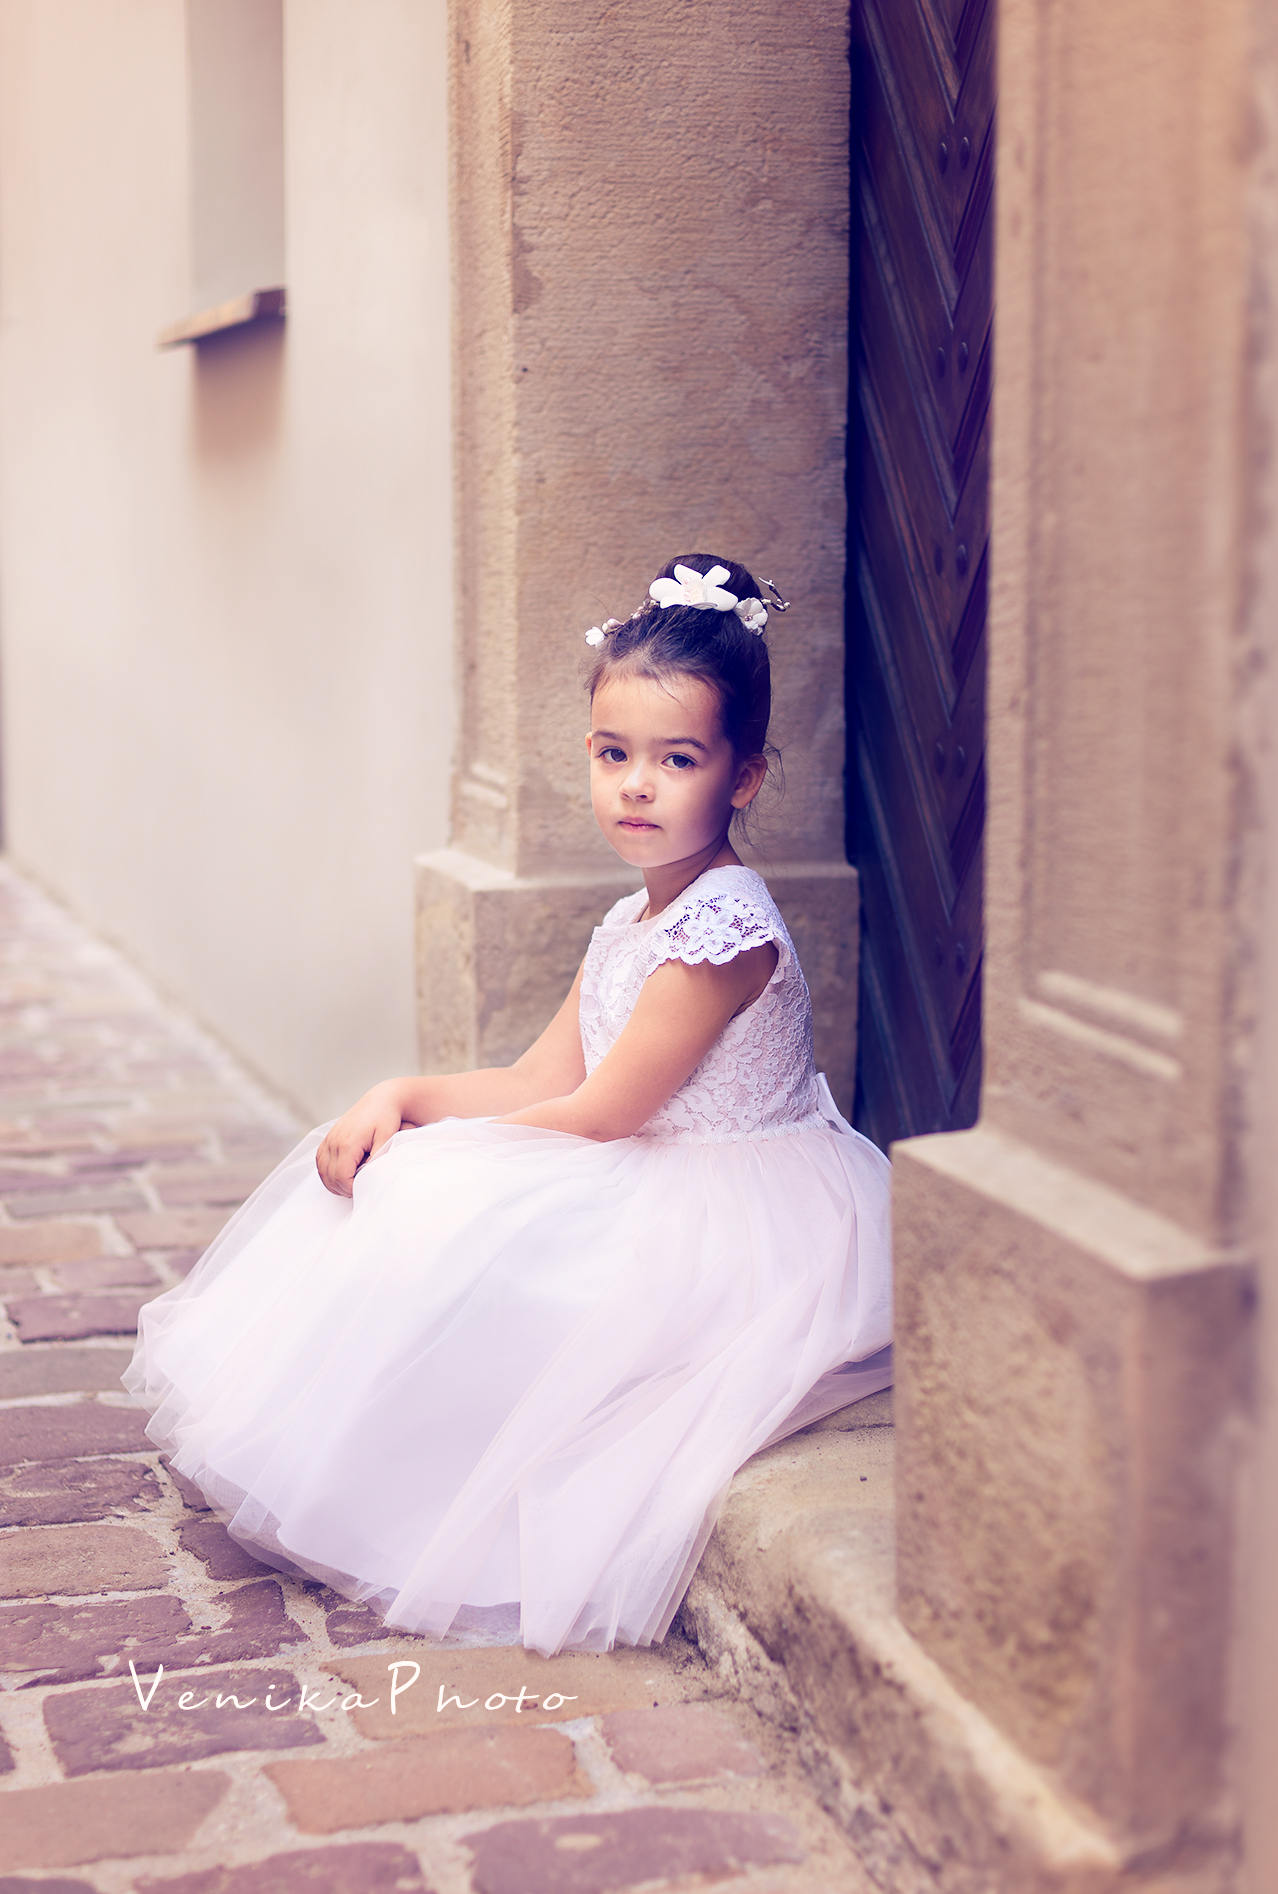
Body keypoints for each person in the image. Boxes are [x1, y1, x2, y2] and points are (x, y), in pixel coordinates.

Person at [119, 553, 893, 1658]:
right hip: (650, 1162)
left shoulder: (727, 928)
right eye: (615, 753)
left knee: (455, 1216)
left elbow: (605, 1113)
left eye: (677, 760)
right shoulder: (633, 920)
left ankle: (415, 1501)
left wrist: (445, 1155)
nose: (637, 784)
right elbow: (542, 1079)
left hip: (741, 1209)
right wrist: (405, 1097)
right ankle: (373, 1474)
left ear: (744, 777)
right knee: (413, 1178)